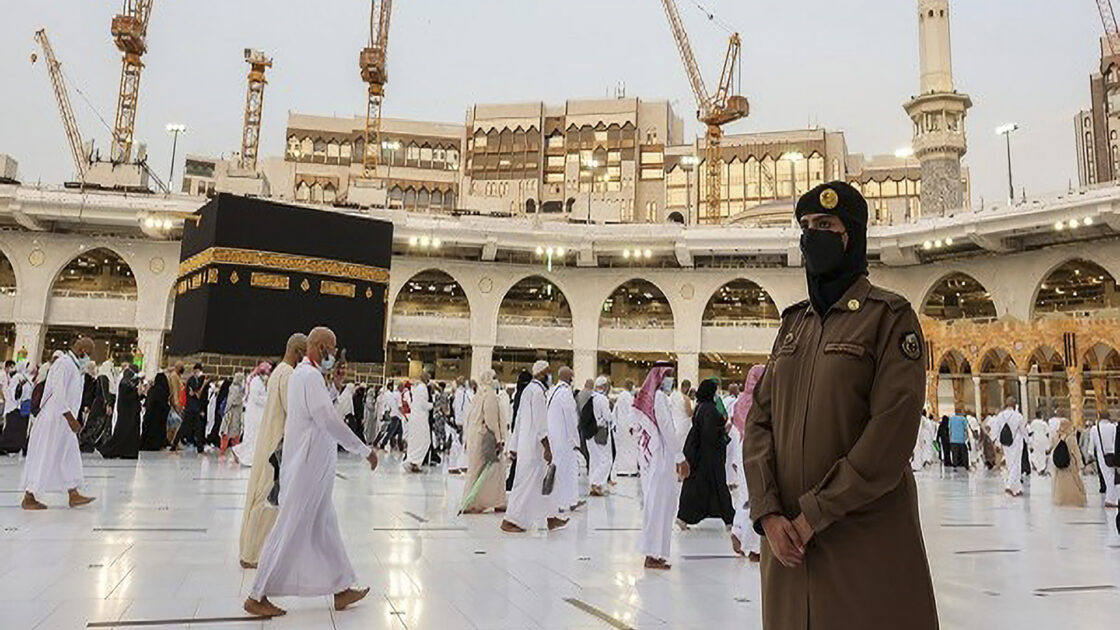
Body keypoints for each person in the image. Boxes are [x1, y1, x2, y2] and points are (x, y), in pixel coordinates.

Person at [743, 182, 937, 628]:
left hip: (860, 545)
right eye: (806, 227)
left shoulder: (888, 318)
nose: (812, 236)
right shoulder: (793, 326)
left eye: (825, 225)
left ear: (852, 236)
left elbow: (891, 434)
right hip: (787, 550)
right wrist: (769, 513)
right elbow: (759, 422)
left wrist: (813, 513)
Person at [244, 327, 376, 618]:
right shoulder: (308, 376)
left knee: (325, 530)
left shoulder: (307, 376)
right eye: (331, 348)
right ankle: (257, 594)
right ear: (317, 347)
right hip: (306, 471)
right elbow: (328, 419)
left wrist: (336, 384)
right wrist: (364, 450)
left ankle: (341, 589)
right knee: (288, 529)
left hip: (312, 470)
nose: (334, 355)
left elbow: (319, 407)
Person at [239, 333, 307, 569]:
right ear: (298, 352)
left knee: (262, 494)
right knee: (268, 499)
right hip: (276, 447)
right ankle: (252, 554)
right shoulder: (288, 375)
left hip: (268, 441)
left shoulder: (278, 372)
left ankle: (251, 549)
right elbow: (294, 412)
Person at [20, 337, 97, 510]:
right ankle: (29, 496)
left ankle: (73, 494)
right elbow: (58, 393)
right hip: (54, 419)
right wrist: (71, 419)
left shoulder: (74, 367)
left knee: (69, 454)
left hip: (64, 420)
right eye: (89, 354)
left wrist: (71, 419)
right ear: (82, 351)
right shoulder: (63, 364)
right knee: (45, 455)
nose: (88, 359)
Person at [633, 364, 688, 570]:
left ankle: (654, 552)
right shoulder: (659, 399)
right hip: (662, 459)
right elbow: (666, 428)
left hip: (654, 459)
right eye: (668, 376)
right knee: (660, 505)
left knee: (657, 504)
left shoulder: (650, 398)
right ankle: (652, 554)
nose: (670, 380)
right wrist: (679, 457)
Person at [501, 361, 566, 533]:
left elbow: (519, 419)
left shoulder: (528, 390)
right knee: (526, 484)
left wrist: (514, 446)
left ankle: (551, 517)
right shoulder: (537, 392)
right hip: (534, 447)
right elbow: (540, 423)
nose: (550, 376)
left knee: (544, 483)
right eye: (548, 373)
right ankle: (510, 520)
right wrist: (547, 447)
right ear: (541, 373)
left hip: (526, 444)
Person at [677, 379, 734, 528]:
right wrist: (723, 430)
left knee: (695, 488)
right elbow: (709, 433)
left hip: (701, 456)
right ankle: (729, 519)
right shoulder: (709, 408)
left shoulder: (700, 406)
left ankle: (683, 517)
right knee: (719, 487)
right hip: (709, 457)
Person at [461, 369, 508, 514]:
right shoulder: (490, 396)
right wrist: (499, 439)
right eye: (494, 378)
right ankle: (475, 502)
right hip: (486, 437)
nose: (496, 381)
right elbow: (491, 420)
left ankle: (495, 501)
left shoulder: (479, 394)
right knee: (489, 470)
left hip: (475, 436)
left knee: (478, 469)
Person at [730, 366, 764, 562]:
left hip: (741, 448)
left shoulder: (741, 402)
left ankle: (738, 529)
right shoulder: (760, 402)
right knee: (755, 495)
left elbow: (736, 429)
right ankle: (753, 548)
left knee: (745, 495)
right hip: (754, 449)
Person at [547, 366, 581, 513]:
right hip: (564, 439)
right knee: (566, 471)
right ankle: (564, 503)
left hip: (554, 437)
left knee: (561, 470)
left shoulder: (553, 391)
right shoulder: (565, 393)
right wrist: (576, 440)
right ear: (569, 378)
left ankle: (570, 500)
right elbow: (571, 419)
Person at [98, 365, 141, 459]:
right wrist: (137, 393)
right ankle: (108, 450)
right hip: (127, 415)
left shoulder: (128, 384)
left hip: (129, 415)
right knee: (123, 433)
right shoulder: (124, 385)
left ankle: (127, 452)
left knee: (126, 434)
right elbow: (128, 398)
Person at [233, 362, 272, 466]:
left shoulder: (260, 381)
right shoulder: (255, 381)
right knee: (251, 437)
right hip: (254, 414)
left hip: (258, 413)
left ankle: (239, 451)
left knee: (254, 437)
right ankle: (246, 459)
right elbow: (256, 398)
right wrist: (268, 400)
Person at [993, 397, 1027, 497]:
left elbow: (997, 430)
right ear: (1015, 405)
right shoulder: (1018, 416)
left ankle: (1017, 489)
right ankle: (1009, 485)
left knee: (1010, 464)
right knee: (1016, 464)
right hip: (1016, 442)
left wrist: (997, 442)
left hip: (1005, 442)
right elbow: (1023, 430)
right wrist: (1028, 441)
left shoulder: (1000, 416)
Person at [171, 363, 209, 453]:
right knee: (184, 427)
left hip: (196, 408)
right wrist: (203, 385)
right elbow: (196, 394)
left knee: (198, 428)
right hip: (191, 408)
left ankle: (200, 448)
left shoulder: (197, 380)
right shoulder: (192, 380)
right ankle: (174, 444)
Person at [505, 370, 533, 490]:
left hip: (518, 431)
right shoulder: (524, 394)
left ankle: (511, 482)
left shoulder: (519, 394)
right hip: (523, 431)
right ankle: (512, 483)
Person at [1051, 418, 1087, 507]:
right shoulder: (1071, 437)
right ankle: (1074, 500)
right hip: (1069, 465)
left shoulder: (1056, 436)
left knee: (1060, 484)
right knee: (1074, 483)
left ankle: (1061, 499)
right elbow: (1076, 452)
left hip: (1059, 465)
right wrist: (1080, 464)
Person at [0, 361, 34, 455]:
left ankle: (15, 446)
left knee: (20, 428)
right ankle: (6, 446)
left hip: (23, 407)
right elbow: (13, 392)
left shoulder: (27, 377)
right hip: (15, 406)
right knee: (12, 427)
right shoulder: (17, 377)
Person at [588, 376, 614, 496]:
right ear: (604, 387)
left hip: (592, 433)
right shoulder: (602, 399)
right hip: (601, 432)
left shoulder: (592, 397)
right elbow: (608, 417)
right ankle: (596, 483)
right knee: (606, 460)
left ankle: (594, 484)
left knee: (595, 460)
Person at [404, 372, 433, 473]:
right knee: (424, 440)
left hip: (415, 417)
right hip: (421, 417)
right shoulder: (422, 388)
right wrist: (433, 405)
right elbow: (423, 405)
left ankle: (414, 462)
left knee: (416, 440)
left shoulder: (416, 388)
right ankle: (415, 462)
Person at [1089, 410, 1118, 507]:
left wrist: (1090, 455)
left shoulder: (1094, 428)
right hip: (1113, 455)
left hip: (1101, 455)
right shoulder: (1113, 427)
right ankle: (1111, 499)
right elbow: (1115, 441)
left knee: (1107, 477)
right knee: (1113, 477)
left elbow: (1092, 444)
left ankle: (1110, 499)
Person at [139, 371, 172, 451]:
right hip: (159, 417)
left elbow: (148, 403)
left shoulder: (153, 390)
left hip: (150, 416)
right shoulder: (163, 391)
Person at [612, 380, 639, 477]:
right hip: (628, 428)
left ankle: (621, 469)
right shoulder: (629, 397)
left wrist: (614, 425)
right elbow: (631, 412)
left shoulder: (620, 396)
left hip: (620, 426)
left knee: (622, 449)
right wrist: (633, 425)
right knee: (631, 450)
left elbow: (614, 411)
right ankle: (631, 470)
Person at [220, 373, 246, 454]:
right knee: (227, 431)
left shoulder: (238, 388)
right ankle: (224, 449)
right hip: (231, 413)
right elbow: (232, 401)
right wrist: (226, 410)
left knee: (234, 432)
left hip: (236, 413)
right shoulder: (235, 388)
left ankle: (235, 451)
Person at [669, 377, 691, 449]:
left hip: (674, 423)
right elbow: (689, 413)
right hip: (683, 425)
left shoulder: (673, 396)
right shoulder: (686, 398)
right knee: (683, 445)